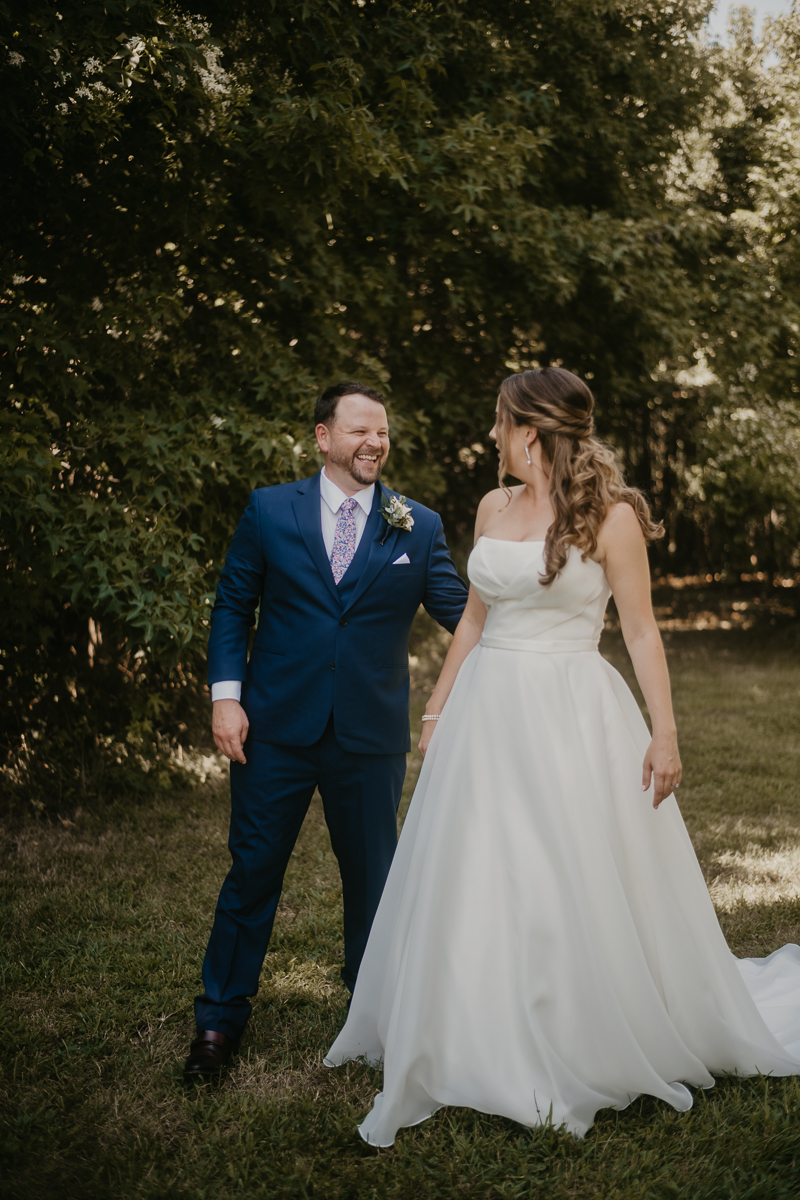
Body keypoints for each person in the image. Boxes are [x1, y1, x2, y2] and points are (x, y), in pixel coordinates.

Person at [326, 366, 800, 1145]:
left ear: (533, 432)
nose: (491, 436)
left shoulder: (608, 519)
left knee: (561, 868)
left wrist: (666, 730)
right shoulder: (491, 505)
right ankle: (470, 1021)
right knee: (477, 866)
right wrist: (439, 708)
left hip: (569, 712)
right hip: (487, 707)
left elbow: (641, 631)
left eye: (501, 423)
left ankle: (570, 1031)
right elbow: (475, 618)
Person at [183, 381, 468, 1083]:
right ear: (322, 437)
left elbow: (468, 618)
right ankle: (219, 1023)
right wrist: (226, 698)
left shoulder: (417, 525)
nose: (375, 443)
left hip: (369, 736)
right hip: (273, 726)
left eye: (383, 433)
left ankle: (373, 1019)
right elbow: (232, 604)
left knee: (374, 882)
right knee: (252, 874)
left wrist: (539, 643)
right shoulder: (269, 509)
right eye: (360, 431)